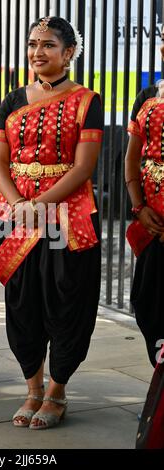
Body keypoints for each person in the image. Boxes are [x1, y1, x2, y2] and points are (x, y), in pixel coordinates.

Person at [0, 16, 103, 430]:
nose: (38, 52)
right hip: (17, 214)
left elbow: (84, 166)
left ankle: (57, 389)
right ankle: (32, 387)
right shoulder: (13, 99)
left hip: (68, 215)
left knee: (66, 300)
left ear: (69, 52)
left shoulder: (87, 100)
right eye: (33, 43)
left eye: (49, 45)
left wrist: (39, 202)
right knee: (23, 303)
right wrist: (19, 201)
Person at [125, 24, 164, 447]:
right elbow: (132, 159)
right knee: (149, 306)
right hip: (153, 224)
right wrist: (139, 206)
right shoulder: (149, 97)